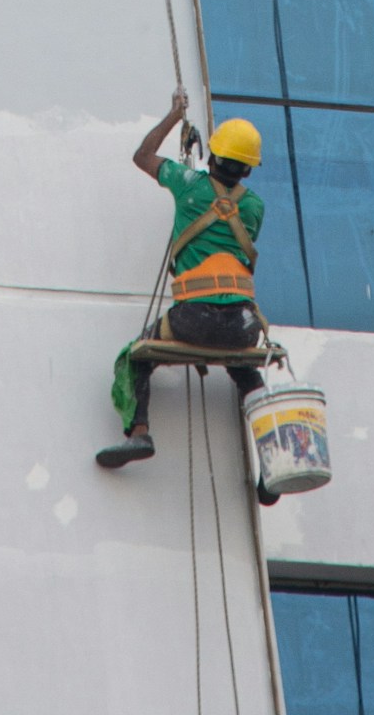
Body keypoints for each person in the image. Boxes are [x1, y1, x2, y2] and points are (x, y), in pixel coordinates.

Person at [96, 90, 272, 482]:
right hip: (244, 325)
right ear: (248, 170)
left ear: (212, 154)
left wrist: (175, 115)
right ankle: (273, 457)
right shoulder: (255, 207)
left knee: (137, 355)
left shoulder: (188, 183)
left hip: (193, 319)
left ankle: (139, 432)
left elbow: (143, 156)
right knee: (246, 372)